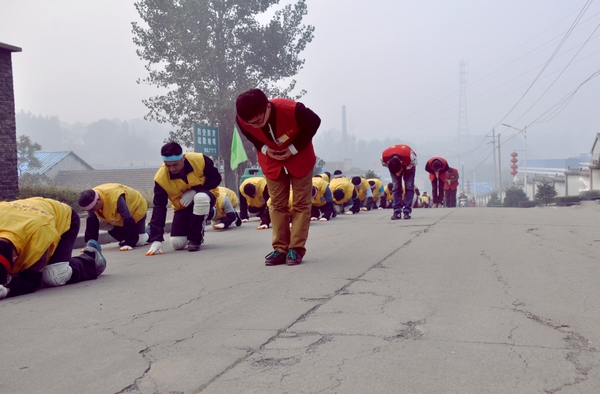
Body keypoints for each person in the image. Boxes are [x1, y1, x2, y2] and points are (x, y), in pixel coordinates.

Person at [236, 88, 321, 266]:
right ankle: (280, 248)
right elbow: (249, 134)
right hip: (271, 159)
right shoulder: (243, 120)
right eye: (250, 123)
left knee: (300, 203)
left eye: (258, 120)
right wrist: (265, 149)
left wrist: (292, 149)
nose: (255, 125)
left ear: (267, 107)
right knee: (277, 203)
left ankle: (295, 249)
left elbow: (315, 122)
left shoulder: (293, 109)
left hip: (299, 156)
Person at [0, 197, 106, 299]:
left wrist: (7, 291)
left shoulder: (38, 240)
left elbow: (32, 280)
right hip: (31, 213)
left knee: (54, 276)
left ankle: (92, 256)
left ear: (14, 257)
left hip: (63, 217)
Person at [146, 142, 221, 254]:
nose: (172, 169)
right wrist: (157, 238)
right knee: (177, 243)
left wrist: (196, 190)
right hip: (183, 207)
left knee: (200, 198)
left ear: (183, 158)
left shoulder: (200, 160)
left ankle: (196, 239)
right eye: (168, 165)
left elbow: (216, 178)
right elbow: (159, 207)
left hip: (206, 195)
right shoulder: (160, 178)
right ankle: (203, 215)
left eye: (175, 164)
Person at [78, 183, 149, 251]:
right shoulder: (90, 199)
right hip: (117, 216)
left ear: (98, 199)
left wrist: (129, 243)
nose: (92, 211)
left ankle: (151, 228)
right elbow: (92, 222)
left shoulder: (115, 198)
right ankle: (125, 237)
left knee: (140, 241)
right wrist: (90, 244)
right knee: (97, 224)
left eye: (93, 208)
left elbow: (128, 219)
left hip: (136, 208)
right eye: (90, 210)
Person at [381, 144, 418, 220]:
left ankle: (407, 210)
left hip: (409, 166)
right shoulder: (384, 157)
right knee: (396, 186)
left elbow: (414, 163)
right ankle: (397, 211)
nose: (398, 174)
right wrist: (395, 170)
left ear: (401, 162)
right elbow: (385, 165)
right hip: (393, 167)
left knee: (409, 186)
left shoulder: (410, 156)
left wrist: (402, 169)